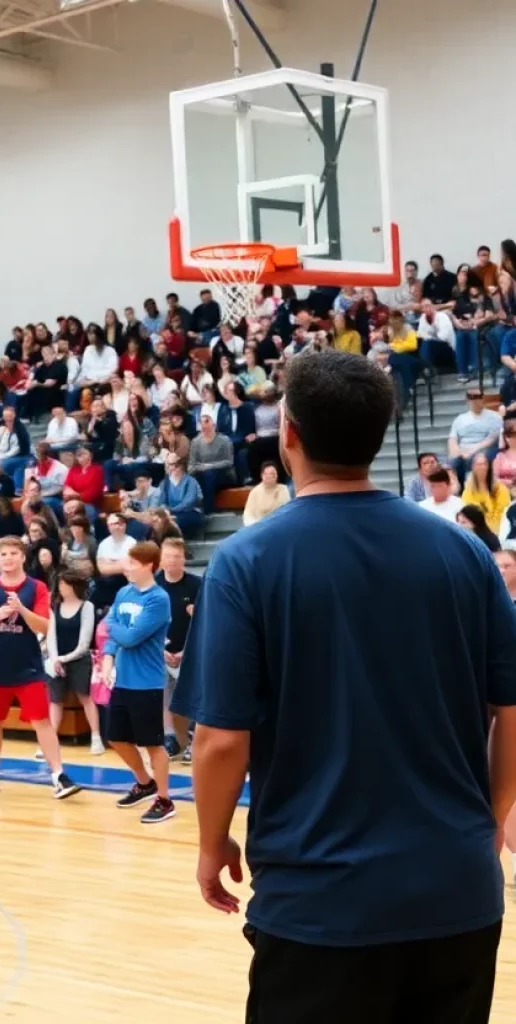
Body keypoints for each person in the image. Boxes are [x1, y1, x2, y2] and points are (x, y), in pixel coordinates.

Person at [173, 350, 516, 1022]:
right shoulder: (465, 553)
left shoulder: (245, 562)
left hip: (321, 905)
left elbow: (218, 741)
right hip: (458, 892)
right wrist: (493, 817)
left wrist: (212, 844)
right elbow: (511, 708)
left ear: (289, 434)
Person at [0, 536, 81, 799]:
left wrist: (20, 609)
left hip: (28, 667)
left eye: (12, 553)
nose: (7, 558)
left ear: (22, 557)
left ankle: (58, 775)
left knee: (42, 721)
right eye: (2, 554)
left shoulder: (37, 587)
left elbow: (43, 626)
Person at [101, 541, 175, 824]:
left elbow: (130, 637)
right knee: (116, 737)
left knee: (152, 744)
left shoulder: (158, 599)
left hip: (148, 682)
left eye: (131, 563)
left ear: (148, 566)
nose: (126, 567)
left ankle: (165, 800)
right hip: (124, 679)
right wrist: (108, 657)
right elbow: (115, 637)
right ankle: (145, 783)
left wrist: (112, 626)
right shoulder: (123, 592)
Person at [45, 571, 103, 755]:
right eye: (59, 584)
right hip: (57, 660)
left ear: (73, 586)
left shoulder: (87, 607)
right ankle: (50, 740)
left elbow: (84, 643)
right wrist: (55, 658)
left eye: (64, 584)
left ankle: (96, 737)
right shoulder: (55, 607)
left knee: (85, 697)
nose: (60, 588)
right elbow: (50, 636)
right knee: (55, 700)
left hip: (79, 659)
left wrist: (64, 659)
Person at [155, 536, 200, 762]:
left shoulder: (196, 585)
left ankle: (194, 738)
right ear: (161, 560)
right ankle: (169, 737)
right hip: (159, 652)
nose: (172, 561)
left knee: (195, 693)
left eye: (177, 556)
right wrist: (161, 650)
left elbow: (204, 622)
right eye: (168, 556)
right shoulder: (153, 584)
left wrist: (185, 652)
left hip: (189, 651)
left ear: (184, 559)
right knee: (161, 693)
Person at [449, 388, 503, 487]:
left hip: (484, 449)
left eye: (478, 398)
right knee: (452, 462)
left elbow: (491, 439)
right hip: (463, 450)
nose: (475, 401)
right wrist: (456, 451)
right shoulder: (460, 419)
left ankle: (471, 488)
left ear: (483, 399)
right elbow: (452, 439)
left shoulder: (495, 417)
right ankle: (458, 489)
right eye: (471, 398)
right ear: (467, 400)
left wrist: (472, 450)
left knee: (473, 459)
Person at [242, 462, 292, 526]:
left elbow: (287, 510)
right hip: (261, 526)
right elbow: (248, 515)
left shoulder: (284, 489)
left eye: (273, 474)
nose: (271, 476)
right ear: (262, 475)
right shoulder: (255, 492)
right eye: (267, 474)